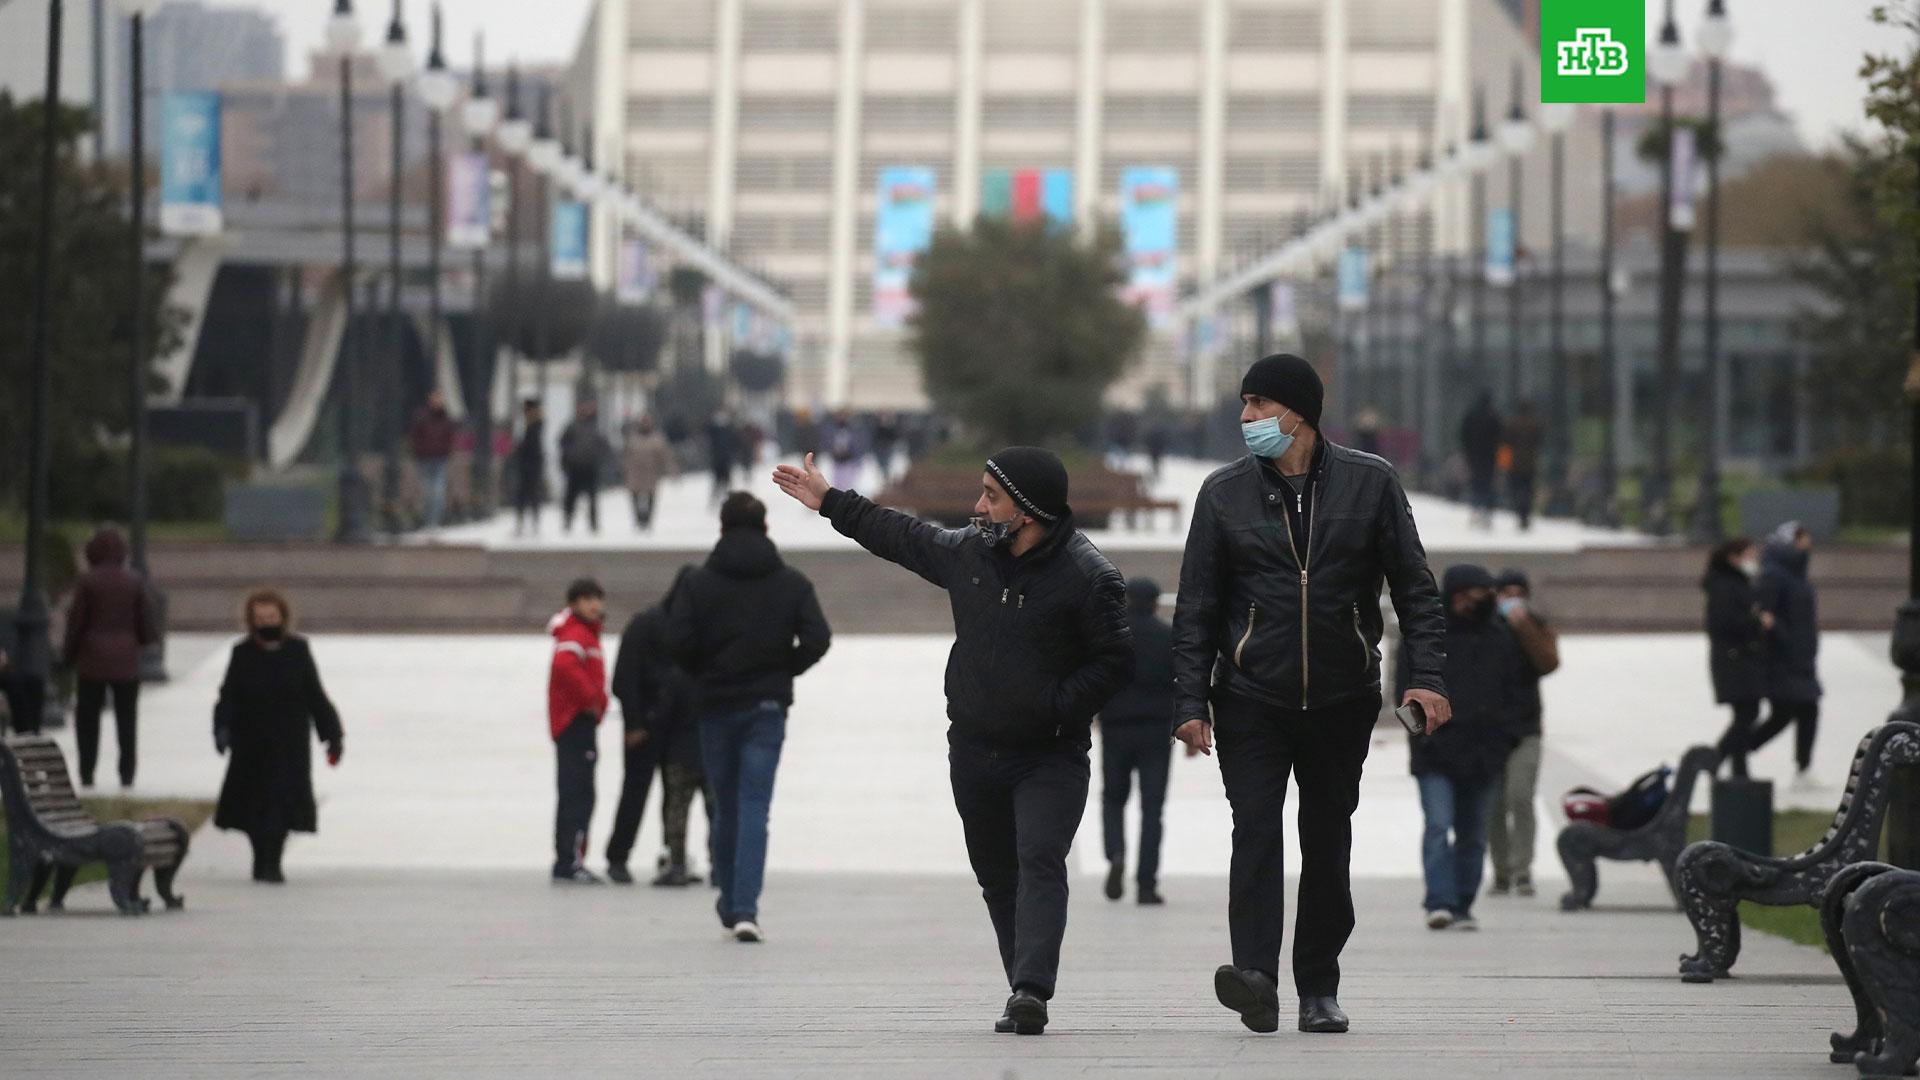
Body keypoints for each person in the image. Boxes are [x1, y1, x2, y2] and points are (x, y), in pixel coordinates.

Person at [774, 445, 1132, 1036]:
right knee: (997, 877)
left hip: (1048, 756)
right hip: (974, 749)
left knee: (1040, 860)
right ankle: (1021, 984)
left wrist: (1055, 708)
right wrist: (831, 501)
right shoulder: (971, 553)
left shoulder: (1088, 576)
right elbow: (901, 536)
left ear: (1027, 510)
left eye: (991, 496)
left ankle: (1031, 989)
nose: (978, 507)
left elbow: (1116, 661)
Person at [1171, 353, 1450, 1038]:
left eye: (1260, 404)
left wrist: (1428, 676)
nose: (1247, 417)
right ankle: (1256, 978)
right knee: (1255, 830)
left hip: (1340, 697)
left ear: (1299, 413)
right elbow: (1197, 606)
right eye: (1245, 404)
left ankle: (1319, 987)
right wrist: (1189, 703)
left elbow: (1415, 589)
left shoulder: (1371, 483)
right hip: (1250, 697)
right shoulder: (1223, 493)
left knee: (1327, 841)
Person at [667, 493, 833, 943]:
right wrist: (783, 670)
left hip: (716, 707)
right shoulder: (791, 583)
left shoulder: (698, 584)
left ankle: (728, 899)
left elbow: (677, 640)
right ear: (765, 529)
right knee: (755, 806)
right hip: (766, 708)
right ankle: (745, 908)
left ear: (721, 529)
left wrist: (705, 673)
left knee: (726, 806)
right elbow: (818, 637)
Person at [1403, 565, 1525, 931]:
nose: (1482, 601)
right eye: (1475, 593)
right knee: (1438, 826)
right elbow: (1404, 695)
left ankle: (1462, 905)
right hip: (1435, 755)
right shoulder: (1428, 637)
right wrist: (1422, 739)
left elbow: (1518, 693)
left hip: (1484, 754)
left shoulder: (1500, 636)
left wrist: (1505, 741)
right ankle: (1439, 902)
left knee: (1473, 836)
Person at [212, 589, 344, 883]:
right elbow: (228, 696)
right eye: (260, 618)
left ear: (283, 617)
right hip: (250, 744)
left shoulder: (298, 650)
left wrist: (333, 737)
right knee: (253, 805)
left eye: (271, 617)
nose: (266, 623)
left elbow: (315, 696)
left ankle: (272, 862)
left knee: (282, 806)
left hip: (289, 744)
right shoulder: (242, 653)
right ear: (251, 621)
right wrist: (221, 728)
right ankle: (260, 858)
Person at [608, 569, 711, 887]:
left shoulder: (693, 630)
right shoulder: (646, 624)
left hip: (678, 731)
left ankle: (671, 857)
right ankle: (618, 857)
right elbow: (624, 678)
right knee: (636, 793)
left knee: (674, 798)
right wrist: (634, 722)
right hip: (647, 727)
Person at [1099, 576, 1176, 907]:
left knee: (1113, 799)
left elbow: (1097, 678)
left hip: (1116, 728)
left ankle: (1116, 853)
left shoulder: (1111, 636)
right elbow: (1179, 681)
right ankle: (1146, 884)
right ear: (1156, 603)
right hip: (1156, 731)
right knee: (1152, 808)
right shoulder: (1167, 636)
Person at [61, 525, 154, 789]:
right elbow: (145, 621)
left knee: (87, 720)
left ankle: (87, 772)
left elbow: (77, 622)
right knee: (127, 720)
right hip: (126, 660)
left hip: (92, 660)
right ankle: (127, 773)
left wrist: (68, 653)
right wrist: (139, 643)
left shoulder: (87, 581)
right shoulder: (134, 580)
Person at [1486, 569, 1560, 898]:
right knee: (1494, 804)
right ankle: (1501, 871)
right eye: (1507, 593)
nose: (1512, 600)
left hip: (1526, 728)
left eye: (1519, 594)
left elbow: (1548, 663)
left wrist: (1524, 627)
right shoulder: (1486, 627)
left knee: (1520, 796)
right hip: (1490, 730)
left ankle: (1522, 870)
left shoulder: (1536, 625)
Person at [1746, 522, 1822, 787]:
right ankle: (1738, 749)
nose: (1807, 543)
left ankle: (1803, 767)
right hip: (1781, 657)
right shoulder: (1774, 575)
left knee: (1808, 709)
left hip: (1802, 657)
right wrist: (1780, 634)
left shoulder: (1798, 575)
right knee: (1784, 713)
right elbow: (1762, 614)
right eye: (1801, 539)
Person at [549, 578, 610, 884]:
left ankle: (570, 858)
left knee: (577, 791)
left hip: (577, 722)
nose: (594, 605)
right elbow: (565, 666)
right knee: (578, 793)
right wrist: (593, 700)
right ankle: (570, 860)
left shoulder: (584, 633)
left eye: (597, 599)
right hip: (576, 722)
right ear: (574, 604)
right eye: (587, 599)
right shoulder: (577, 634)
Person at [1703, 538, 1771, 779]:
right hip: (1733, 660)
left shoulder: (1737, 582)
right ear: (1734, 557)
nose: (1754, 561)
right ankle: (1717, 760)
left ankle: (1738, 771)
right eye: (1749, 556)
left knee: (1746, 713)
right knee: (1747, 713)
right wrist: (1757, 621)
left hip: (1741, 659)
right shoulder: (1724, 585)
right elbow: (1723, 623)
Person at [408, 389, 459, 529]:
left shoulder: (445, 418)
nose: (437, 402)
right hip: (424, 459)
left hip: (440, 459)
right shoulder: (422, 416)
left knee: (438, 491)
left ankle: (434, 521)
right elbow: (414, 435)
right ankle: (427, 520)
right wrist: (418, 451)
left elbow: (450, 436)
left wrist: (447, 451)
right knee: (427, 492)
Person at [559, 398, 611, 534]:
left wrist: (598, 459)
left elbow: (604, 446)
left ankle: (593, 523)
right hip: (575, 468)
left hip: (590, 468)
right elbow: (562, 444)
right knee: (570, 497)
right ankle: (568, 520)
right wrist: (569, 458)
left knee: (592, 498)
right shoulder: (572, 427)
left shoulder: (595, 427)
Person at [622, 415, 675, 532]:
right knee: (635, 496)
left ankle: (648, 520)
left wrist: (671, 470)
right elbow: (626, 455)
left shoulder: (657, 438)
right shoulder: (632, 438)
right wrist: (624, 468)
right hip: (635, 473)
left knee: (651, 497)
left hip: (651, 473)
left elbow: (665, 455)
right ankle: (639, 519)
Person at [1459, 392, 1503, 530]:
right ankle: (1487, 511)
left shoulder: (1471, 416)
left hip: (1474, 455)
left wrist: (1467, 452)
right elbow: (1500, 437)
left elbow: (1464, 435)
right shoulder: (1494, 417)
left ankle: (1475, 508)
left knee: (1476, 482)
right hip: (1490, 456)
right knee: (1488, 483)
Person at [1504, 400, 1544, 532]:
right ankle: (1525, 515)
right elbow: (1539, 442)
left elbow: (1505, 445)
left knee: (1516, 490)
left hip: (1515, 464)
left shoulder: (1512, 424)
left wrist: (1504, 464)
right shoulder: (1534, 425)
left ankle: (1521, 513)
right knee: (1528, 490)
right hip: (1530, 463)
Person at [512, 399, 547, 537]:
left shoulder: (534, 426)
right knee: (527, 494)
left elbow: (531, 447)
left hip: (530, 465)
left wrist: (519, 450)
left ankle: (529, 522)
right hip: (530, 464)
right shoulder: (531, 425)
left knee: (528, 494)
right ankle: (527, 522)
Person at [706, 411, 737, 508]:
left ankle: (728, 500)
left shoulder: (726, 429)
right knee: (719, 482)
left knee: (725, 482)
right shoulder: (715, 430)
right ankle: (716, 500)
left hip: (723, 459)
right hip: (719, 460)